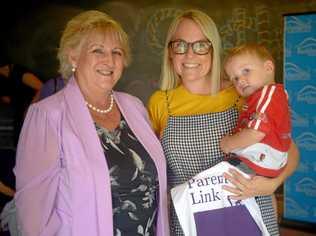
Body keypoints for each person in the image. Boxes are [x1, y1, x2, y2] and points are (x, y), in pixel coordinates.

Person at [14, 10, 169, 236]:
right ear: (73, 57)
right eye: (98, 50)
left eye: (116, 52)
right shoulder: (48, 116)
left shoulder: (135, 107)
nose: (109, 60)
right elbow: (33, 217)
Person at [147, 9, 299, 236]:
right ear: (170, 52)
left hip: (249, 214)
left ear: (213, 50)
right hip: (191, 222)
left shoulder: (241, 94)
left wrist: (272, 184)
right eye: (180, 45)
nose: (190, 55)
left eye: (200, 45)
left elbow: (289, 149)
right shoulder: (160, 103)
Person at [220, 43, 291, 178]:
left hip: (265, 156)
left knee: (225, 173)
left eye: (246, 71)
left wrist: (229, 144)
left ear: (268, 68)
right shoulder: (261, 96)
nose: (240, 80)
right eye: (235, 78)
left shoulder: (269, 94)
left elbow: (256, 132)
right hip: (269, 157)